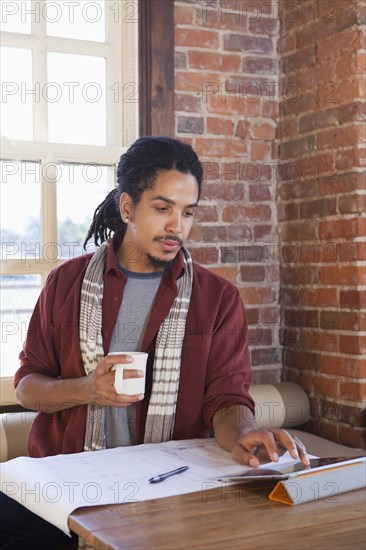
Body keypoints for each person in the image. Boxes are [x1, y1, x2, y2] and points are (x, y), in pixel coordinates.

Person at [1, 137, 308, 549]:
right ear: (127, 207)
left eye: (188, 212)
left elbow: (227, 399)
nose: (176, 226)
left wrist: (243, 433)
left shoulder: (217, 299)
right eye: (163, 209)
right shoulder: (65, 283)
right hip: (66, 485)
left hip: (167, 489)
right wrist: (88, 388)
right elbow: (27, 388)